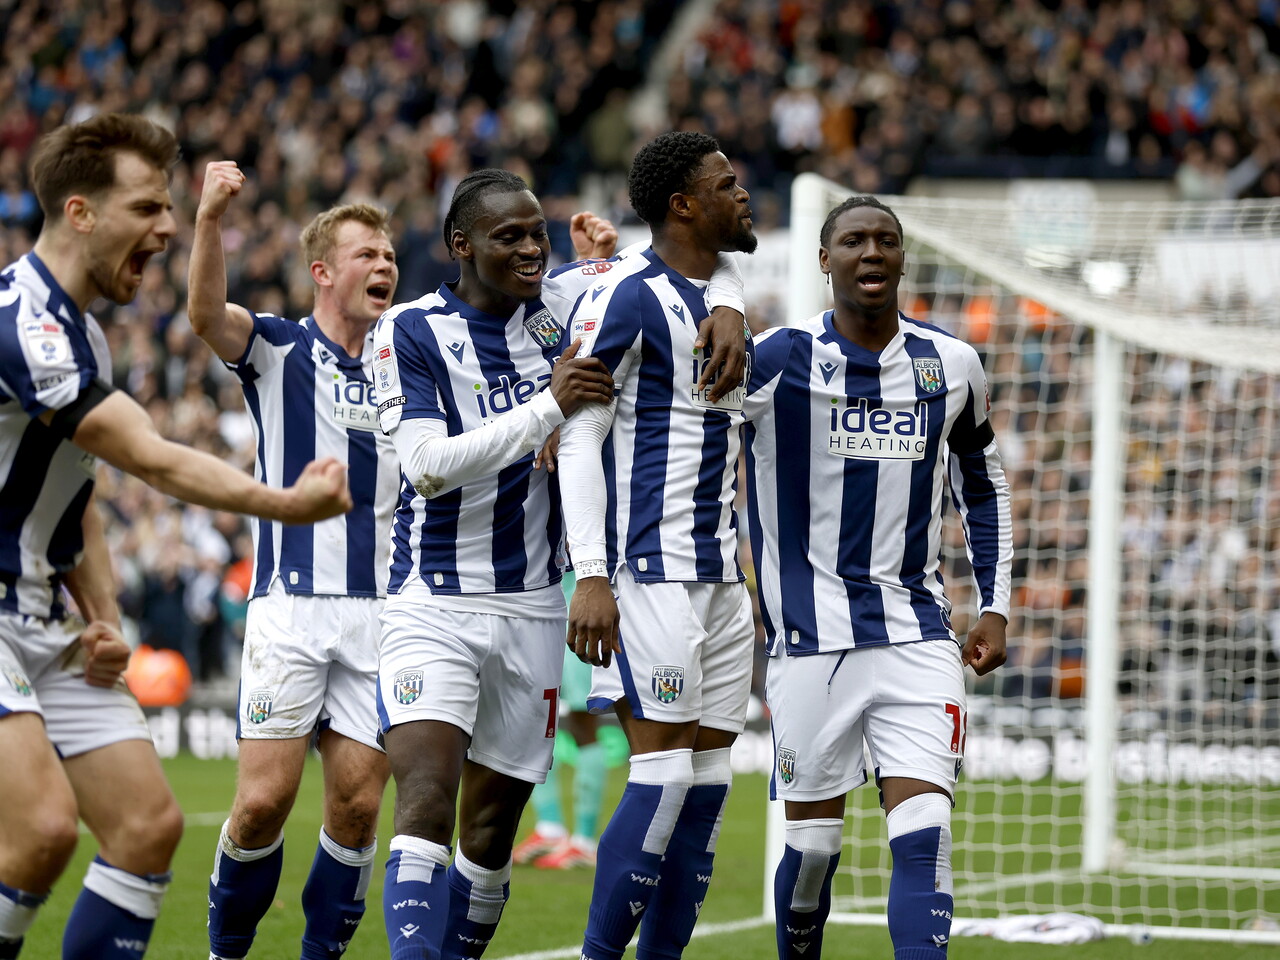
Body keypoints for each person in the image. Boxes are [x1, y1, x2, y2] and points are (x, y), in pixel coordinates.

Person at [372, 168, 747, 960]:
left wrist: (731, 305)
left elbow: (696, 252)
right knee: (429, 801)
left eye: (537, 234)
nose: (530, 251)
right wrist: (548, 406)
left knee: (491, 829)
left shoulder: (560, 308)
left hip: (536, 607)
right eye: (508, 237)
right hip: (432, 600)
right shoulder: (408, 330)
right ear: (460, 246)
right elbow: (427, 466)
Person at [0, 115, 349, 960]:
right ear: (80, 212)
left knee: (148, 828)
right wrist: (283, 504)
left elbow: (78, 498)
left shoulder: (81, 330)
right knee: (43, 831)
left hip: (44, 614)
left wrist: (107, 614)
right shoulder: (25, 323)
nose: (165, 226)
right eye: (148, 207)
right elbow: (148, 457)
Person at [741, 196, 1012, 959]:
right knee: (814, 850)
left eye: (885, 241)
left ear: (902, 258)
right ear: (823, 260)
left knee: (925, 839)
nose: (871, 252)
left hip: (918, 637)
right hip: (809, 643)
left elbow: (983, 486)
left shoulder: (951, 364)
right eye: (853, 240)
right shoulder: (776, 358)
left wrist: (996, 605)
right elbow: (691, 431)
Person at [188, 161, 400, 960]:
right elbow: (207, 314)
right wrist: (209, 220)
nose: (383, 265)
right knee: (263, 803)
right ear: (322, 271)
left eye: (387, 254)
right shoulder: (279, 347)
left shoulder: (403, 364)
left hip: (382, 611)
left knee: (355, 807)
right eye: (365, 254)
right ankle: (227, 953)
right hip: (291, 606)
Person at [556, 130, 758, 960]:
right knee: (664, 779)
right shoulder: (628, 296)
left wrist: (734, 297)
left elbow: (722, 270)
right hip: (652, 576)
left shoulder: (719, 294)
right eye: (727, 183)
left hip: (721, 578)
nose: (743, 195)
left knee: (706, 795)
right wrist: (593, 574)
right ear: (683, 204)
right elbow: (580, 431)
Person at [512, 570, 607, 871]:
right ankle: (550, 828)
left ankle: (584, 842)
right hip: (539, 602)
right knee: (536, 718)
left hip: (580, 599)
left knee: (582, 721)